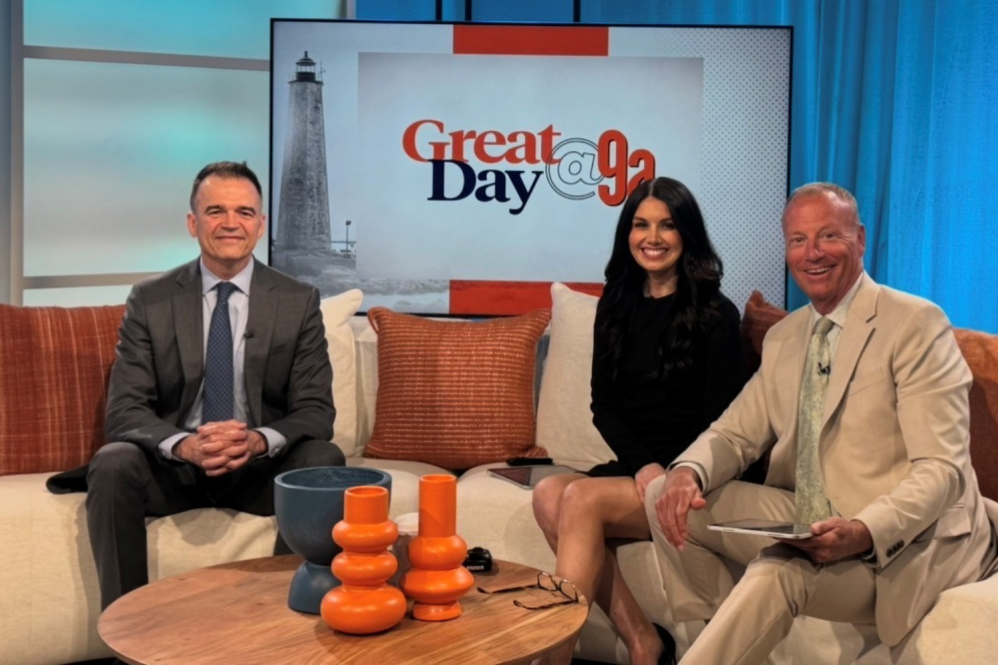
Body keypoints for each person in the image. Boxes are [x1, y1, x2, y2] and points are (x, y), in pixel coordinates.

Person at [645, 183, 998, 664]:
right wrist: (688, 473)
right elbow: (734, 433)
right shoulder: (787, 337)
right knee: (665, 494)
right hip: (812, 518)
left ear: (860, 239)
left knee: (779, 570)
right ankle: (714, 636)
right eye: (797, 240)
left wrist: (862, 529)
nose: (812, 253)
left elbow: (942, 470)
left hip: (902, 540)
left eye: (828, 236)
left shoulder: (915, 324)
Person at [49, 161, 345, 610]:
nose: (231, 223)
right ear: (193, 223)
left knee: (324, 459)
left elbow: (315, 411)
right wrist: (184, 446)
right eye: (215, 211)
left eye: (245, 212)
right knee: (112, 463)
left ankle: (287, 631)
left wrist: (256, 441)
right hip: (174, 470)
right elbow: (125, 410)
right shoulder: (151, 299)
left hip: (259, 470)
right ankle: (127, 632)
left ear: (260, 225)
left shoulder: (297, 300)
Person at [531, 177, 745, 665]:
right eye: (641, 224)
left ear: (687, 234)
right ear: (626, 233)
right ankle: (644, 642)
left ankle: (552, 657)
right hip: (639, 469)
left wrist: (669, 473)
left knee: (580, 498)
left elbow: (725, 423)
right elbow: (602, 405)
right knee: (547, 495)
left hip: (694, 476)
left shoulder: (716, 313)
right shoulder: (616, 302)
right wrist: (643, 465)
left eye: (667, 225)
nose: (653, 237)